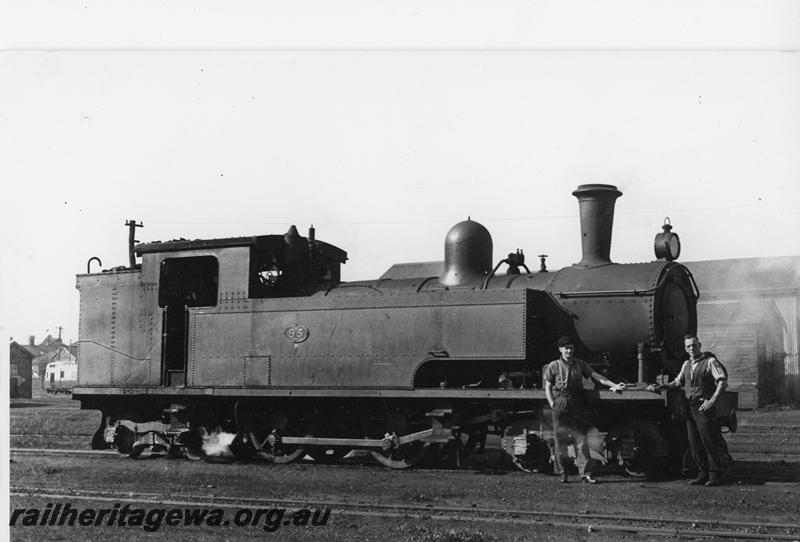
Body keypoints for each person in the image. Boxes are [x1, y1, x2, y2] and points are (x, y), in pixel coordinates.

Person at [648, 334, 730, 487]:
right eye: (688, 346)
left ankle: (716, 474)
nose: (692, 348)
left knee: (709, 441)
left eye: (694, 345)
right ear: (685, 348)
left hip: (704, 406)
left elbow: (722, 382)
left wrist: (711, 401)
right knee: (694, 442)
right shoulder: (686, 364)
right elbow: (676, 383)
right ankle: (703, 473)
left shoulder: (710, 361)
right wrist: (660, 386)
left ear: (699, 344)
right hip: (690, 407)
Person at [544, 336, 626, 483]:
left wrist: (613, 385)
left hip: (576, 403)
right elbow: (548, 387)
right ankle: (563, 473)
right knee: (560, 440)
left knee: (581, 439)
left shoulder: (580, 364)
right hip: (560, 403)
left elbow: (596, 376)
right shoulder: (554, 365)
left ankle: (585, 474)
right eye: (566, 348)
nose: (569, 350)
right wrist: (553, 404)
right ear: (560, 349)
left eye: (571, 348)